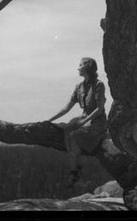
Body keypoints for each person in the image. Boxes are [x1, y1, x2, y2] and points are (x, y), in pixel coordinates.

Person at [47, 57, 107, 186]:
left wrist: (83, 122)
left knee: (74, 135)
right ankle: (75, 166)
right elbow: (67, 108)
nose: (78, 68)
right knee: (68, 128)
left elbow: (99, 109)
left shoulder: (98, 85)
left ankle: (74, 171)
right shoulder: (79, 87)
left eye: (80, 65)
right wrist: (49, 120)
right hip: (83, 118)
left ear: (87, 67)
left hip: (96, 122)